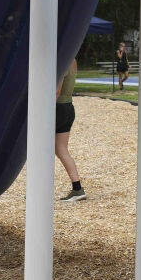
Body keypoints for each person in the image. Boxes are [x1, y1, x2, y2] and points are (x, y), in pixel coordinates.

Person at [56, 57, 85, 201]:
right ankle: (77, 189)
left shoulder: (61, 61)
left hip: (57, 107)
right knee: (61, 150)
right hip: (68, 107)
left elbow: (57, 91)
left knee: (41, 150)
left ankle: (38, 189)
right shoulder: (73, 60)